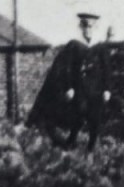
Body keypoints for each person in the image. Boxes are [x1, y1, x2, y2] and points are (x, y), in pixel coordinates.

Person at [26, 11, 110, 150]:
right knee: (78, 113)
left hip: (96, 88)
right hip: (79, 87)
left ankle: (91, 145)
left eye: (91, 26)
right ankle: (72, 140)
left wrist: (107, 89)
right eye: (85, 26)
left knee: (95, 116)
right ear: (81, 27)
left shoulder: (100, 46)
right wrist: (69, 87)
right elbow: (67, 67)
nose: (88, 29)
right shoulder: (74, 45)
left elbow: (106, 68)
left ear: (95, 27)